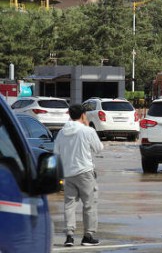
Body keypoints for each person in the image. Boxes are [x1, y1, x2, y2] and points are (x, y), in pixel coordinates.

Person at [54, 103, 104, 247]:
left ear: (69, 115)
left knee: (69, 205)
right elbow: (98, 149)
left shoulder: (62, 132)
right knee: (89, 204)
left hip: (68, 173)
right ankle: (88, 236)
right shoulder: (87, 131)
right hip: (85, 173)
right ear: (83, 115)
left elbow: (56, 153)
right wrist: (88, 127)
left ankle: (69, 236)